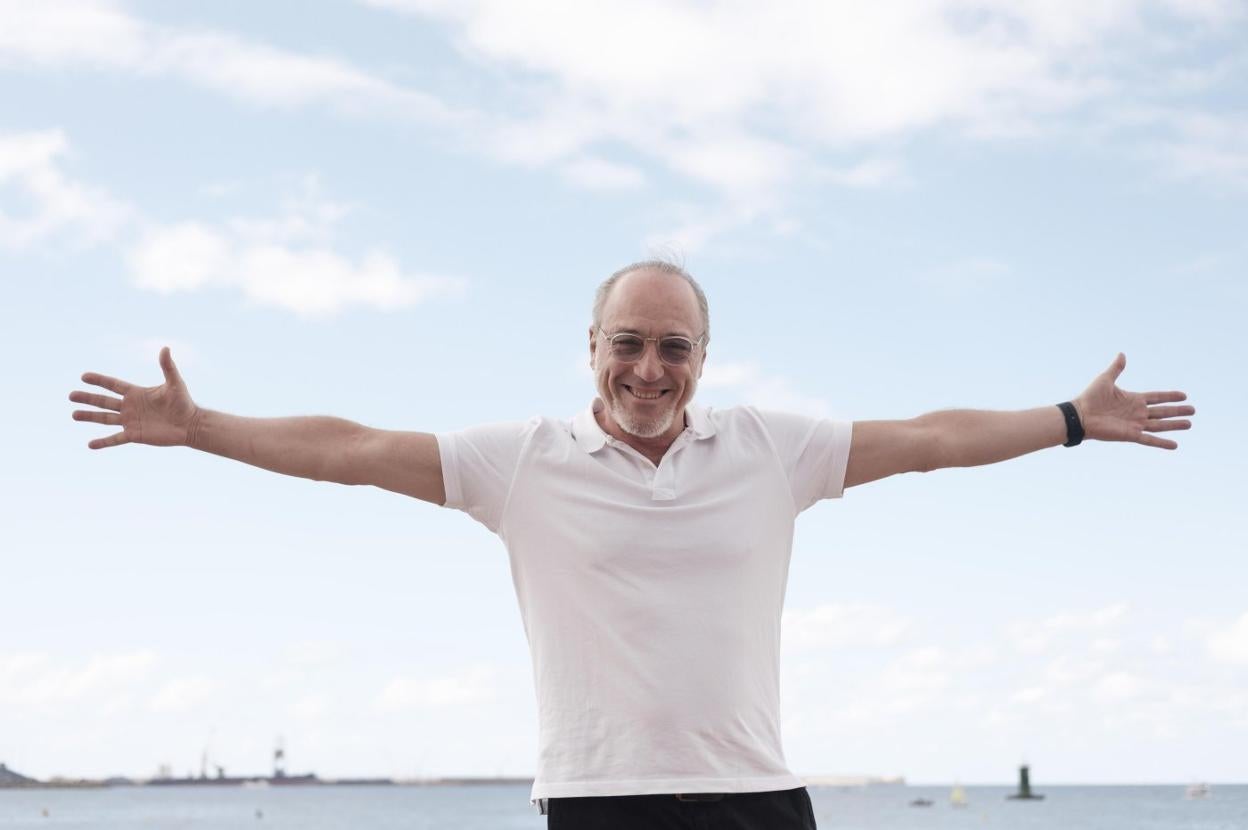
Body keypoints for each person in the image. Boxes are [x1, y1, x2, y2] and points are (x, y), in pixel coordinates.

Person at [69, 260, 1194, 829]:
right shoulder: (520, 461)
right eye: (627, 343)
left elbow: (930, 439)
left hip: (758, 794)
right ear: (590, 346)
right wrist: (202, 427)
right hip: (602, 799)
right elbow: (351, 448)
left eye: (673, 346)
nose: (648, 368)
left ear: (703, 355)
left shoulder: (771, 447)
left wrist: (1068, 419)